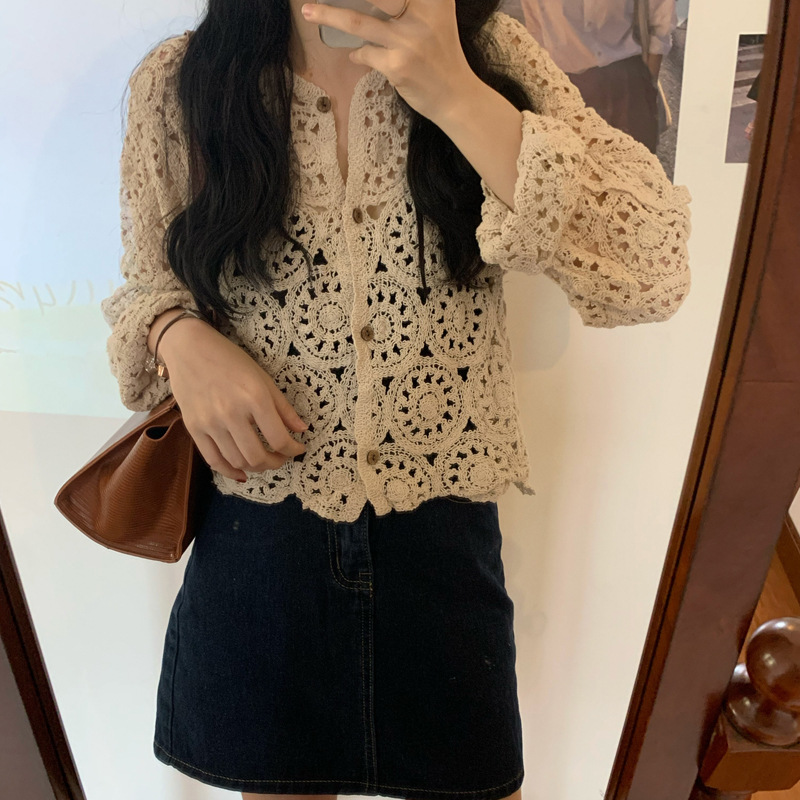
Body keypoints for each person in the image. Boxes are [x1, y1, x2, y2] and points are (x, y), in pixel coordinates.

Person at [100, 0, 692, 797]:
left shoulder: (487, 53)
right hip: (261, 534)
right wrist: (177, 335)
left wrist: (456, 93)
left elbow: (653, 265)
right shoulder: (183, 82)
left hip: (442, 543)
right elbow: (145, 282)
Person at [518, 0, 678, 154]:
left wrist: (647, 88)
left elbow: (660, 24)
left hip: (626, 88)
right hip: (563, 92)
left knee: (632, 167)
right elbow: (535, 29)